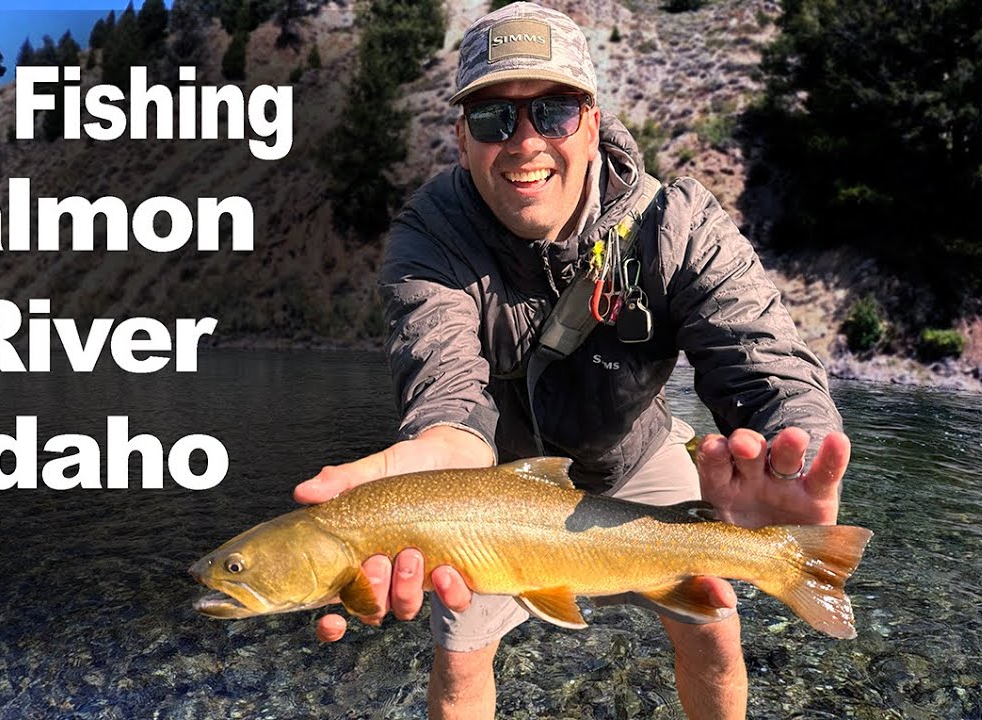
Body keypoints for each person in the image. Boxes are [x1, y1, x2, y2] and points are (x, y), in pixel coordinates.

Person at [293, 3, 851, 718]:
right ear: (462, 140)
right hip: (483, 483)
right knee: (460, 664)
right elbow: (445, 387)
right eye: (494, 119)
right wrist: (438, 449)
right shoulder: (428, 237)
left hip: (635, 455)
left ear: (590, 125)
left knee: (712, 625)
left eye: (552, 114)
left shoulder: (677, 223)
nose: (525, 143)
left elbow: (764, 360)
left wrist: (788, 454)